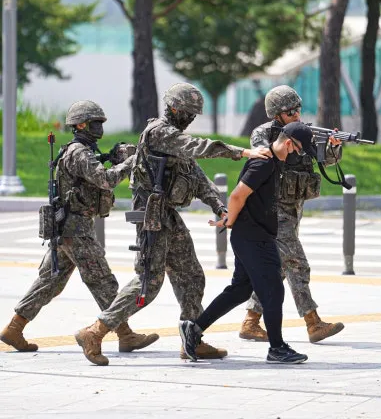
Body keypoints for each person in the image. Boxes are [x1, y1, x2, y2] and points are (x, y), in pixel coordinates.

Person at [75, 83, 271, 366]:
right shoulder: (159, 132)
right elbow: (197, 147)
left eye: (194, 114)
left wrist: (219, 206)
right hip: (151, 216)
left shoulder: (175, 139)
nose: (190, 118)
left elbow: (196, 175)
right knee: (148, 283)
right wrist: (240, 152)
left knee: (191, 275)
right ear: (174, 108)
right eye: (188, 112)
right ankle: (94, 332)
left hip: (166, 214)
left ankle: (192, 339)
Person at [0, 100, 158, 354]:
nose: (99, 127)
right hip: (76, 229)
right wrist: (132, 161)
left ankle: (14, 328)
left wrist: (111, 157)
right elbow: (105, 180)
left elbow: (93, 175)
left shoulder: (83, 151)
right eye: (95, 123)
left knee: (50, 281)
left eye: (101, 122)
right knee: (103, 280)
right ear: (81, 125)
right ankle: (125, 334)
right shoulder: (79, 153)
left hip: (68, 227)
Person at [179, 122, 319, 364]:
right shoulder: (263, 163)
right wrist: (230, 220)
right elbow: (237, 195)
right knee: (273, 290)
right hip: (254, 237)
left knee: (241, 290)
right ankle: (277, 348)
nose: (298, 155)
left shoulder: (271, 161)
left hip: (252, 235)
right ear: (289, 143)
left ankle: (194, 329)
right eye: (298, 150)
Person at [239, 85, 345, 344]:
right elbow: (266, 158)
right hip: (273, 210)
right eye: (290, 112)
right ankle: (313, 323)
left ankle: (250, 322)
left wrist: (332, 146)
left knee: (279, 268)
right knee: (296, 263)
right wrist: (290, 139)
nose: (296, 115)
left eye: (298, 110)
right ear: (276, 114)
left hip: (294, 208)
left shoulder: (303, 131)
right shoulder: (263, 133)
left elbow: (325, 160)